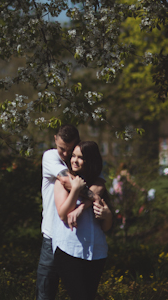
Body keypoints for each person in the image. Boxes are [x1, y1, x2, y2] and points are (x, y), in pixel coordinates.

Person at [52, 141, 113, 300]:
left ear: (90, 160)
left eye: (80, 157)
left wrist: (107, 216)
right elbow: (63, 214)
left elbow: (106, 227)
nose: (74, 160)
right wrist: (76, 190)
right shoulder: (63, 182)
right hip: (70, 250)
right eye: (73, 156)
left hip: (96, 253)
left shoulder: (98, 184)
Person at [37, 124, 80, 300]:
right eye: (62, 148)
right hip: (52, 237)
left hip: (74, 237)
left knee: (80, 292)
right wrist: (91, 193)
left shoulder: (78, 158)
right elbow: (68, 181)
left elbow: (98, 180)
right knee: (46, 291)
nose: (65, 154)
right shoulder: (50, 157)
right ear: (55, 139)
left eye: (70, 150)